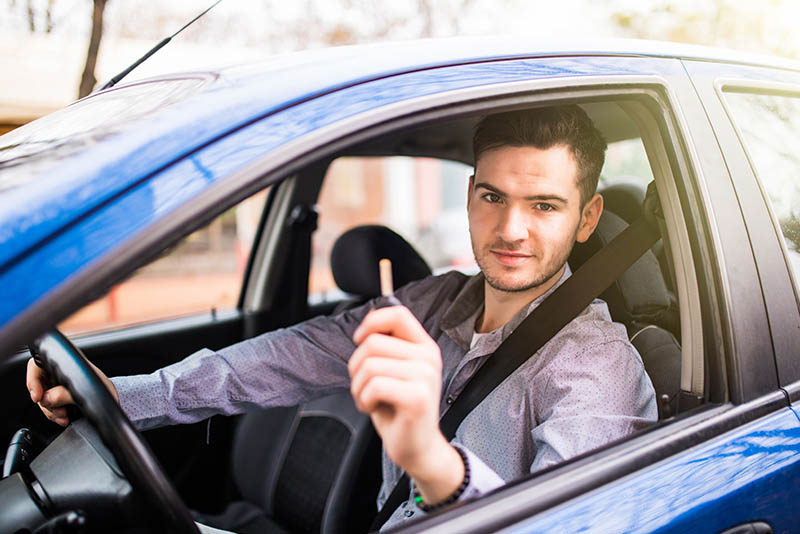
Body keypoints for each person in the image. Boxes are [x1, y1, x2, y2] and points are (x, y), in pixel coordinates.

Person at [28, 105, 657, 531]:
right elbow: (292, 355)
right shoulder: (439, 301)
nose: (510, 229)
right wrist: (127, 397)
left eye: (544, 205)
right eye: (493, 197)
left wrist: (431, 459)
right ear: (470, 196)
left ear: (588, 218)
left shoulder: (595, 367)